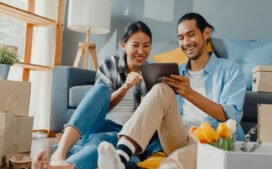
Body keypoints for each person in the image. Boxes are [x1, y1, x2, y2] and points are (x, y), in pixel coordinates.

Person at [97, 12, 247, 169]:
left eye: (191, 35)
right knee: (161, 89)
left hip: (213, 139)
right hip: (179, 136)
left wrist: (189, 93)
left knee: (176, 160)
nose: (186, 42)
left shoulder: (230, 69)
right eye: (181, 38)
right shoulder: (175, 72)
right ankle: (120, 159)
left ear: (206, 33)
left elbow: (231, 116)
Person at [32, 21, 161, 169]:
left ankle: (62, 167)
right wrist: (125, 87)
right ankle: (60, 153)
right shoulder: (110, 63)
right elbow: (103, 104)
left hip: (124, 132)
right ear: (123, 45)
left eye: (146, 45)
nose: (141, 51)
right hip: (99, 122)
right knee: (102, 89)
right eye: (135, 45)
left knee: (101, 143)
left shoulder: (151, 73)